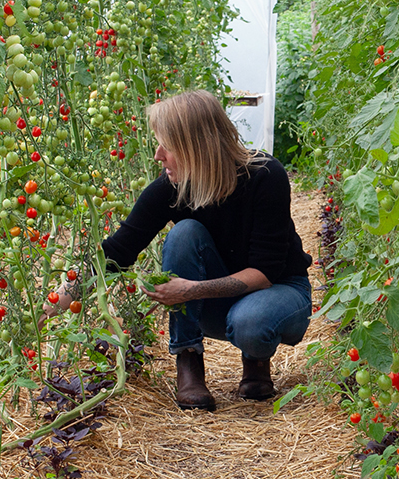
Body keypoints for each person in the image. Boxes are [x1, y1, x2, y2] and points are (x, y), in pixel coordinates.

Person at [97, 90, 313, 411]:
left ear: (194, 147)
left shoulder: (265, 175)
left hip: (281, 292)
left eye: (167, 146)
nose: (158, 155)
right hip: (219, 301)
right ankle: (188, 362)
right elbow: (118, 251)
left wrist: (189, 290)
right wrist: (58, 298)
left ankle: (256, 359)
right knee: (184, 233)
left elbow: (265, 273)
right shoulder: (171, 188)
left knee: (250, 322)